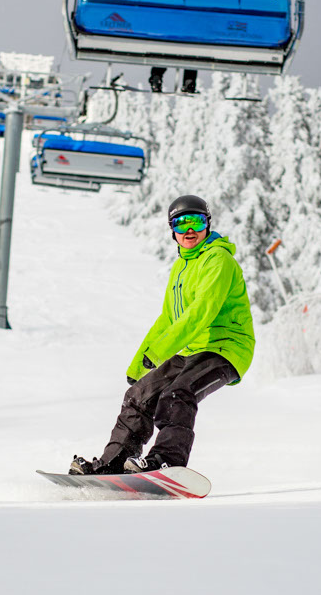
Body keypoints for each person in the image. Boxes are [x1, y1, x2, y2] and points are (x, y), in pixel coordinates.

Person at [70, 195, 255, 475]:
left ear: (207, 224)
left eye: (196, 221)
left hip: (227, 348)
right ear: (172, 231)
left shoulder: (219, 260)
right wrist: (140, 366)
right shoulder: (181, 266)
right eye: (181, 224)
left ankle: (167, 462)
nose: (189, 230)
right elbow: (168, 319)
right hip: (191, 349)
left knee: (177, 394)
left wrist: (159, 353)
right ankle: (115, 462)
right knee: (138, 395)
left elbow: (200, 312)